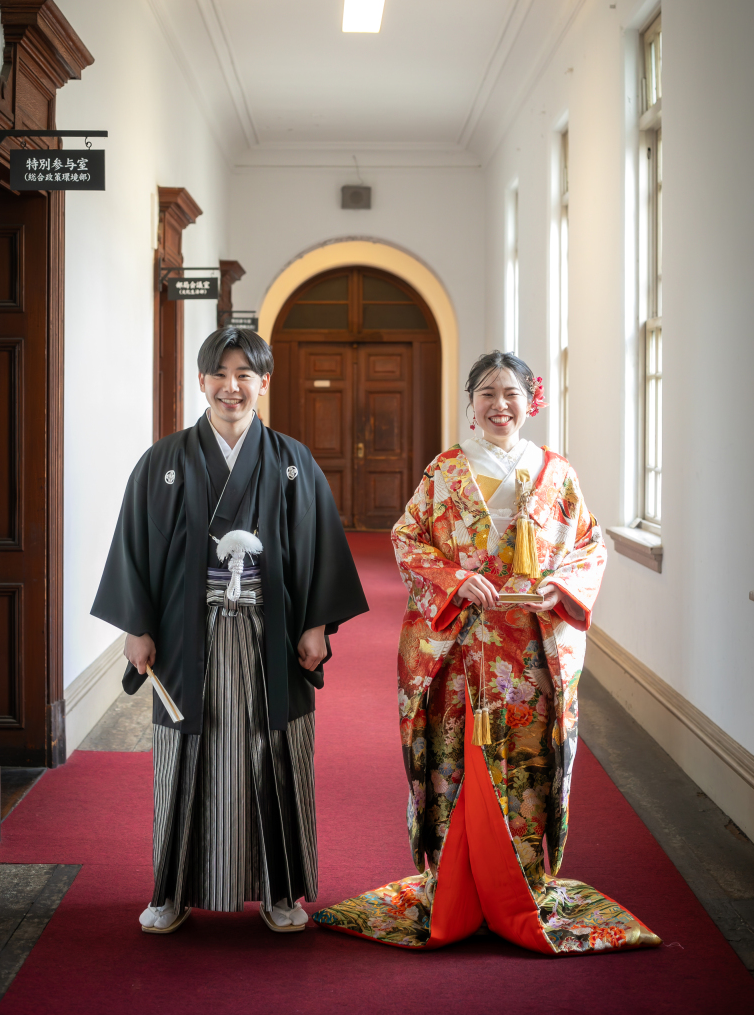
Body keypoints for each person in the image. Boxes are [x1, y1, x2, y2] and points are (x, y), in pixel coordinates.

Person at [314, 350, 660, 954]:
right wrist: (452, 579)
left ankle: (519, 889)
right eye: (487, 394)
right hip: (460, 646)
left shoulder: (557, 471)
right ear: (470, 405)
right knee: (455, 756)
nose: (500, 405)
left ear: (533, 401)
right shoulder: (445, 472)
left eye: (511, 394)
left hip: (527, 647)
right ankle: (455, 886)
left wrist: (561, 585)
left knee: (525, 764)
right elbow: (406, 537)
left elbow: (588, 543)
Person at [92, 327, 367, 935]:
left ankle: (280, 892)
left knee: (276, 755)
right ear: (201, 382)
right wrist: (136, 628)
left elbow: (320, 548)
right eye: (220, 374)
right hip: (187, 636)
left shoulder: (293, 461)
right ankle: (173, 891)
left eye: (246, 375)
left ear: (264, 384)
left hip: (273, 636)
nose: (232, 387)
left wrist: (317, 624)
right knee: (186, 755)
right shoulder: (163, 462)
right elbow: (133, 549)